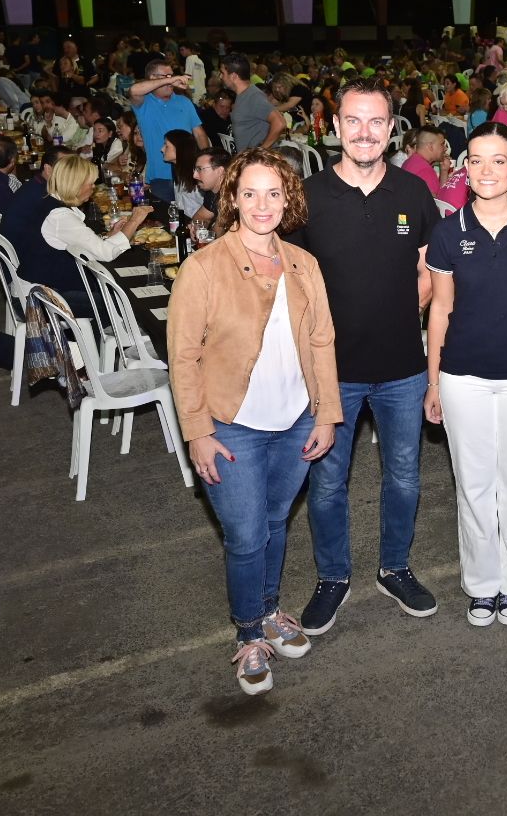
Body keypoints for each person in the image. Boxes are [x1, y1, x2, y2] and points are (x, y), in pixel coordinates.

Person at [167, 147, 341, 696]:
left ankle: (268, 611)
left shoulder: (303, 264)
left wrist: (327, 414)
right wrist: (197, 431)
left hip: (295, 422)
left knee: (272, 524)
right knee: (245, 535)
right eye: (249, 193)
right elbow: (183, 358)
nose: (262, 205)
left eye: (273, 193)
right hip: (232, 426)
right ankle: (248, 634)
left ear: (288, 199)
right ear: (232, 200)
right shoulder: (203, 268)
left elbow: (322, 343)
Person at [292, 81, 442, 634]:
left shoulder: (412, 192)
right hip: (333, 375)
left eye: (376, 122)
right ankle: (332, 577)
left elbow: (431, 268)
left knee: (403, 477)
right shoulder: (307, 196)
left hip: (402, 368)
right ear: (334, 128)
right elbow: (289, 280)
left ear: (391, 128)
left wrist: (408, 308)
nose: (364, 132)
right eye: (353, 121)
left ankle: (395, 567)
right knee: (327, 484)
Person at [424, 122, 507, 626]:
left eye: (498, 160)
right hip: (464, 377)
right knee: (475, 484)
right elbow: (439, 310)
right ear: (464, 169)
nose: (487, 170)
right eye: (476, 160)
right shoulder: (446, 232)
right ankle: (482, 585)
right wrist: (434, 381)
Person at [5, 154, 151, 318]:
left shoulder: (49, 201)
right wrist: (135, 220)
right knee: (124, 302)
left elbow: (81, 243)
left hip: (38, 288)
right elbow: (106, 253)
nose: (93, 188)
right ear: (76, 185)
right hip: (37, 300)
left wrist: (109, 235)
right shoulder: (59, 216)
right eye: (90, 184)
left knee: (110, 291)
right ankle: (110, 339)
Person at [131, 62, 208, 200]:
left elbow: (199, 133)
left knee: (191, 217)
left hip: (187, 175)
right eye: (166, 76)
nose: (172, 81)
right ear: (152, 78)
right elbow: (134, 90)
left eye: (171, 76)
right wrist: (170, 79)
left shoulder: (184, 101)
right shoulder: (144, 102)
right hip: (159, 177)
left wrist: (206, 163)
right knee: (166, 220)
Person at [222, 53, 285, 152]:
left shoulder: (254, 96)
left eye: (223, 73)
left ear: (233, 76)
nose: (221, 77)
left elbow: (280, 123)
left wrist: (260, 151)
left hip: (259, 163)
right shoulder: (243, 95)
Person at [399, 124, 451, 197]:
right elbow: (440, 202)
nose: (445, 148)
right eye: (442, 144)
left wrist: (444, 171)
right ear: (430, 146)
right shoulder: (425, 170)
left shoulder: (409, 161)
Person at [191, 146, 228, 223]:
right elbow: (202, 216)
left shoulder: (233, 196)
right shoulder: (212, 192)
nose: (194, 175)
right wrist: (195, 228)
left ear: (220, 171)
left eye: (200, 169)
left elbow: (219, 232)